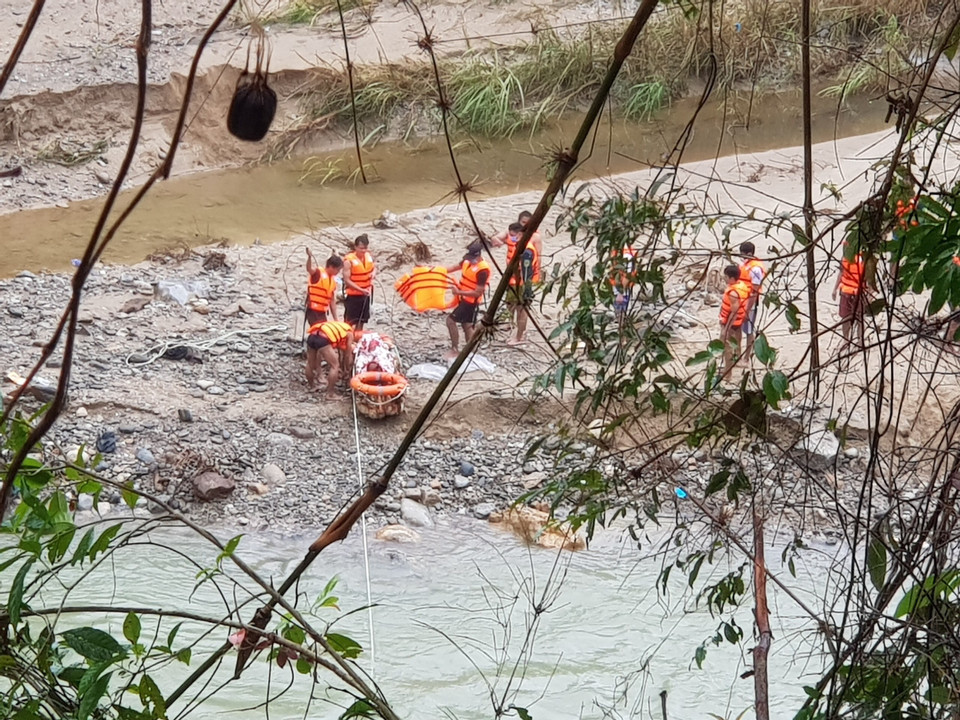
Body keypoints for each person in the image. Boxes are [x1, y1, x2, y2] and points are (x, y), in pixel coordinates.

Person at [491, 221, 540, 345]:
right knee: (511, 305)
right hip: (513, 283)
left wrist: (525, 290)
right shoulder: (519, 246)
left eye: (514, 236)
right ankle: (511, 326)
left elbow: (526, 272)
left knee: (521, 310)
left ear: (521, 234)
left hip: (522, 285)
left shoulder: (527, 250)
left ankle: (519, 337)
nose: (512, 238)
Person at [444, 242, 490, 360]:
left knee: (450, 321)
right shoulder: (467, 261)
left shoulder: (482, 271)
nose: (470, 260)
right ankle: (471, 352)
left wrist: (459, 292)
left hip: (471, 302)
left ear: (479, 256)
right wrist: (436, 271)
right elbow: (454, 267)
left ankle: (455, 349)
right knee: (467, 325)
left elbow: (478, 292)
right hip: (463, 299)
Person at [305, 320, 355, 400]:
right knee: (335, 366)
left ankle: (312, 387)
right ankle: (330, 394)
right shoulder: (350, 333)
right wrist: (347, 370)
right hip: (323, 339)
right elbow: (347, 355)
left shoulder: (340, 327)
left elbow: (340, 350)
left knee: (310, 363)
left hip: (312, 336)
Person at [832, 244, 866, 354]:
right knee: (845, 318)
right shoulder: (845, 258)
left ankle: (860, 341)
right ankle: (846, 340)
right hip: (846, 291)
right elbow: (841, 273)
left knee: (860, 319)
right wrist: (835, 289)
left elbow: (868, 277)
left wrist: (869, 293)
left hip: (859, 292)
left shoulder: (863, 258)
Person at [719, 264, 751, 380]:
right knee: (737, 340)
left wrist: (727, 328)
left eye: (726, 277)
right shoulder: (742, 285)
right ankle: (737, 359)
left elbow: (734, 312)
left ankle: (727, 374)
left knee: (726, 347)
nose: (724, 278)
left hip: (731, 323)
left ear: (732, 278)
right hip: (739, 321)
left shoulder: (733, 293)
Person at [738, 241, 766, 364]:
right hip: (740, 301)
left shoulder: (755, 269)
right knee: (737, 329)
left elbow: (754, 291)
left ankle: (746, 358)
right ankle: (737, 354)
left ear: (749, 254)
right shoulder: (746, 265)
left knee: (749, 331)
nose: (741, 257)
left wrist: (748, 309)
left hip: (750, 303)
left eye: (743, 254)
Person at [342, 234, 375, 329]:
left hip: (365, 294)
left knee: (362, 320)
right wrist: (360, 290)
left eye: (365, 248)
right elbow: (347, 280)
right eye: (361, 248)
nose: (363, 251)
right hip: (353, 296)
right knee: (350, 321)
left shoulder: (368, 256)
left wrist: (373, 273)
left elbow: (374, 267)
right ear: (355, 247)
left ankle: (357, 339)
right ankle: (346, 340)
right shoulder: (348, 261)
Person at [305, 251, 342, 325]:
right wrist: (309, 257)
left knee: (322, 331)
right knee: (318, 331)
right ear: (331, 267)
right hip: (313, 310)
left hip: (322, 312)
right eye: (337, 270)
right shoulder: (318, 273)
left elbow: (332, 301)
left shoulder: (332, 280)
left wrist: (335, 319)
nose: (338, 272)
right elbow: (309, 269)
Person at [610, 246, 637, 320]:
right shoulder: (620, 253)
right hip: (619, 287)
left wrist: (620, 293)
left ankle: (621, 327)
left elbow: (627, 276)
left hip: (622, 289)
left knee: (621, 312)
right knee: (620, 312)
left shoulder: (626, 257)